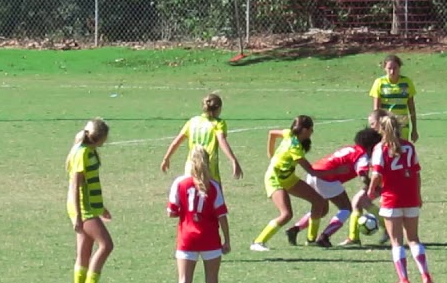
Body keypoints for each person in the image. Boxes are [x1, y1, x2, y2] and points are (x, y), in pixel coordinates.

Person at [167, 146, 231, 283]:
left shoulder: (180, 183)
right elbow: (222, 215)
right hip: (210, 238)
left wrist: (185, 212)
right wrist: (227, 240)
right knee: (212, 282)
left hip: (187, 239)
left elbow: (171, 211)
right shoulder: (214, 185)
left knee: (184, 281)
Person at [285, 127, 382, 248]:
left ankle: (295, 229)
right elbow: (362, 176)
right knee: (346, 208)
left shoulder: (350, 148)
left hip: (314, 172)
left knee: (322, 210)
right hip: (326, 178)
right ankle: (324, 236)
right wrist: (373, 187)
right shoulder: (362, 156)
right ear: (371, 146)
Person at [368, 114, 433, 283]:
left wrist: (371, 191)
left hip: (391, 198)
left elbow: (377, 174)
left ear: (382, 129)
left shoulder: (380, 148)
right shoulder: (409, 147)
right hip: (410, 195)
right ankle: (426, 275)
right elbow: (417, 173)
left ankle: (404, 280)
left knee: (396, 241)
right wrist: (418, 195)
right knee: (413, 239)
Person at [249, 115, 327, 252]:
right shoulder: (295, 147)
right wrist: (337, 171)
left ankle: (311, 240)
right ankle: (258, 242)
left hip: (289, 178)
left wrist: (270, 153)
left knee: (318, 202)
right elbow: (310, 170)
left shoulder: (289, 133)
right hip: (275, 180)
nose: (312, 133)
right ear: (304, 130)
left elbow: (272, 133)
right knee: (286, 214)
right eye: (311, 129)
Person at [67, 118, 114, 283]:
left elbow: (91, 183)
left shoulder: (90, 152)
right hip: (83, 208)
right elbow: (75, 186)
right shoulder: (82, 154)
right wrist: (78, 214)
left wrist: (100, 207)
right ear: (100, 138)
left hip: (90, 207)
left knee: (84, 251)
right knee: (106, 245)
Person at [160, 93, 244, 185]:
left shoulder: (192, 121)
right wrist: (233, 160)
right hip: (208, 165)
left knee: (192, 195)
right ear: (219, 108)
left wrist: (166, 158)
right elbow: (222, 141)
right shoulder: (218, 123)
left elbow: (176, 142)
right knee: (214, 196)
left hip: (191, 165)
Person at [369, 54, 418, 142]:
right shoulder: (379, 82)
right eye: (389, 68)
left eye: (395, 68)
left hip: (402, 124)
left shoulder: (407, 82)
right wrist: (377, 127)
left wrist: (414, 129)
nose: (392, 71)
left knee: (402, 150)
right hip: (386, 125)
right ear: (384, 68)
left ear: (399, 68)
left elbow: (411, 108)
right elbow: (376, 109)